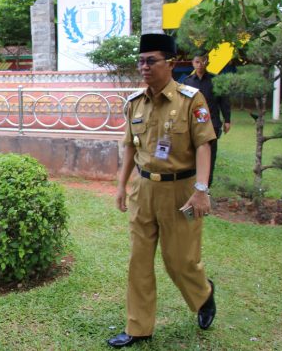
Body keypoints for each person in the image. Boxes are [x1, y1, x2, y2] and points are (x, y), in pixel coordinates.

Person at [108, 34, 217, 348]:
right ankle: (138, 327)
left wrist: (201, 189)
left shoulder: (190, 99)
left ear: (169, 63)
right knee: (138, 261)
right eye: (140, 61)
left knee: (179, 260)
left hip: (180, 190)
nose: (144, 67)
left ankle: (203, 294)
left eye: (151, 60)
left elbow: (203, 146)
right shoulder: (135, 103)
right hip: (143, 190)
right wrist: (120, 185)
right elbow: (130, 147)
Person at [183, 56, 231, 187]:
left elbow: (224, 101)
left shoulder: (215, 80)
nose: (200, 64)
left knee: (210, 155)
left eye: (203, 61)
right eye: (197, 62)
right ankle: (192, 183)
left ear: (207, 62)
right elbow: (183, 103)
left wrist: (227, 120)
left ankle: (206, 186)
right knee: (191, 154)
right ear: (193, 63)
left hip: (212, 124)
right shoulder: (187, 82)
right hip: (192, 124)